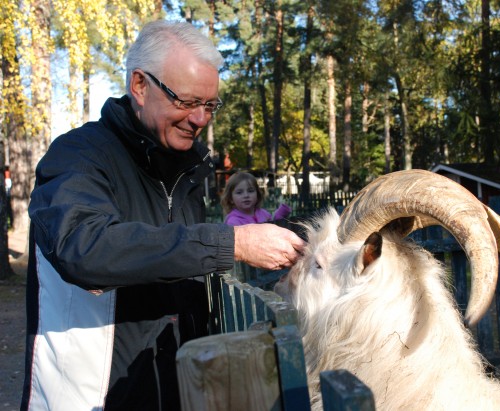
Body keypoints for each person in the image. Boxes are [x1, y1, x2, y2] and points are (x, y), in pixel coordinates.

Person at [21, 20, 305, 411]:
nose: (201, 119)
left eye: (210, 105)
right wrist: (231, 243)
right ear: (140, 85)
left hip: (173, 389)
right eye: (187, 102)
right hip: (92, 399)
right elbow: (84, 248)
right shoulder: (79, 156)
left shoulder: (184, 171)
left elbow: (172, 267)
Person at [222, 171, 292, 226]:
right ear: (231, 199)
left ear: (257, 194)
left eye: (250, 191)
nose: (246, 195)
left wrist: (283, 211)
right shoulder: (233, 221)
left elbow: (273, 226)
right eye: (239, 192)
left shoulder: (263, 213)